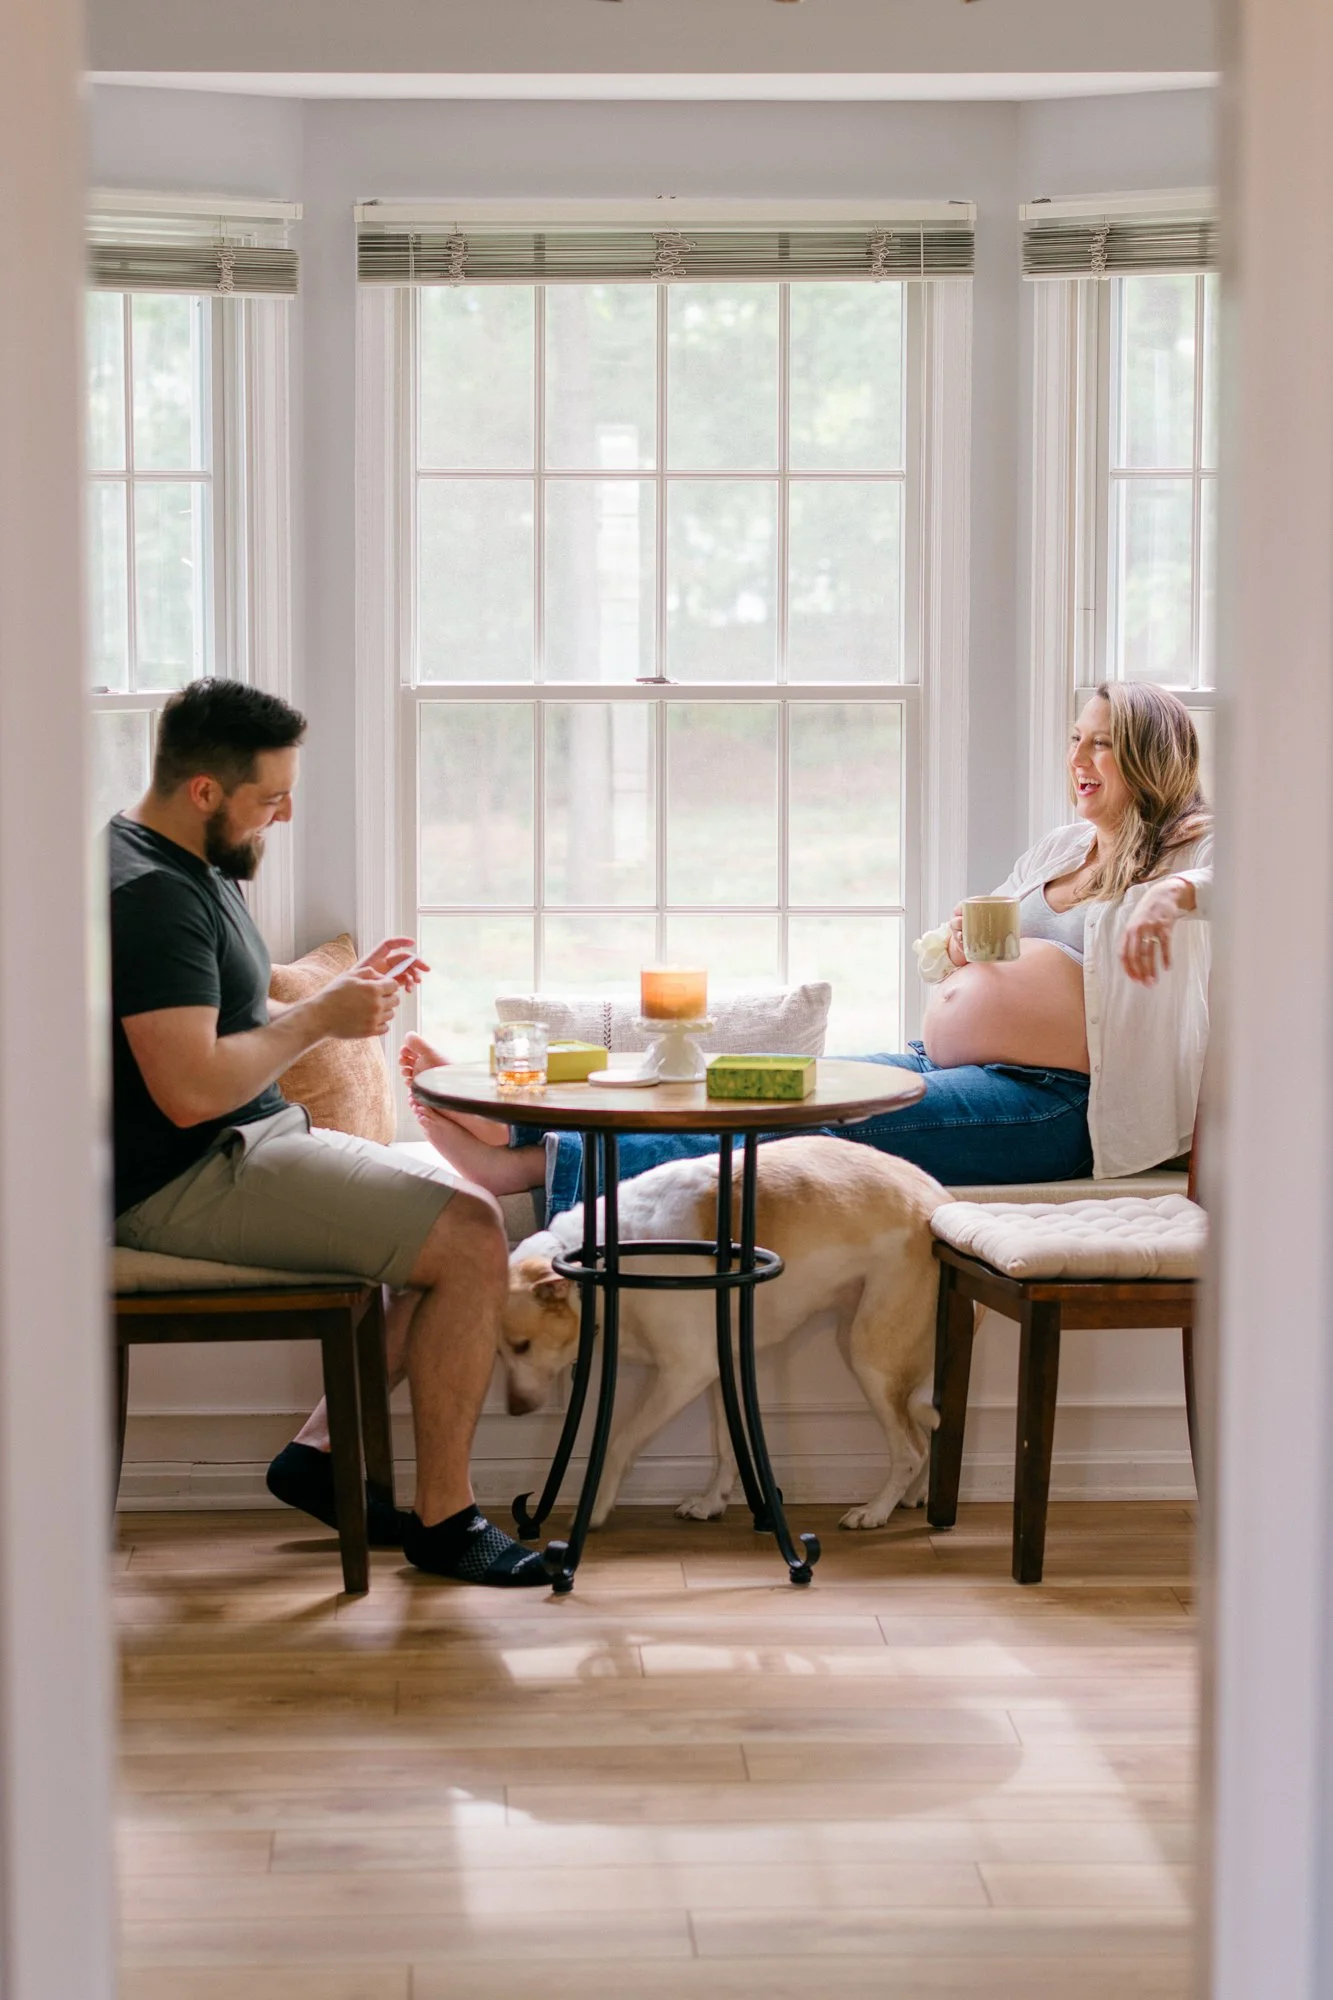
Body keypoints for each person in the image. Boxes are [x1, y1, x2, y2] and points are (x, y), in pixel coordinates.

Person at [404, 683, 1211, 1205]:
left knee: (819, 1130)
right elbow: (966, 954)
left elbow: (1263, 887)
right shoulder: (1061, 849)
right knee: (772, 1082)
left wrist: (1173, 893)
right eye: (1074, 738)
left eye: (1099, 742)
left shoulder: (1196, 851)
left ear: (1148, 756)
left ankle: (538, 1167)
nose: (1076, 758)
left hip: (1059, 1105)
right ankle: (518, 1125)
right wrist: (961, 947)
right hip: (957, 1062)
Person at [109, 678, 546, 1585]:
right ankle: (447, 1523)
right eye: (270, 797)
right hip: (185, 1178)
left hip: (250, 1142)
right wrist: (320, 1023)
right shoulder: (149, 894)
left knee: (455, 1209)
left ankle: (313, 1459)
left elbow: (225, 1002)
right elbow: (188, 1091)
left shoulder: (188, 862)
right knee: (470, 1239)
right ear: (204, 791)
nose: (285, 812)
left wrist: (337, 992)